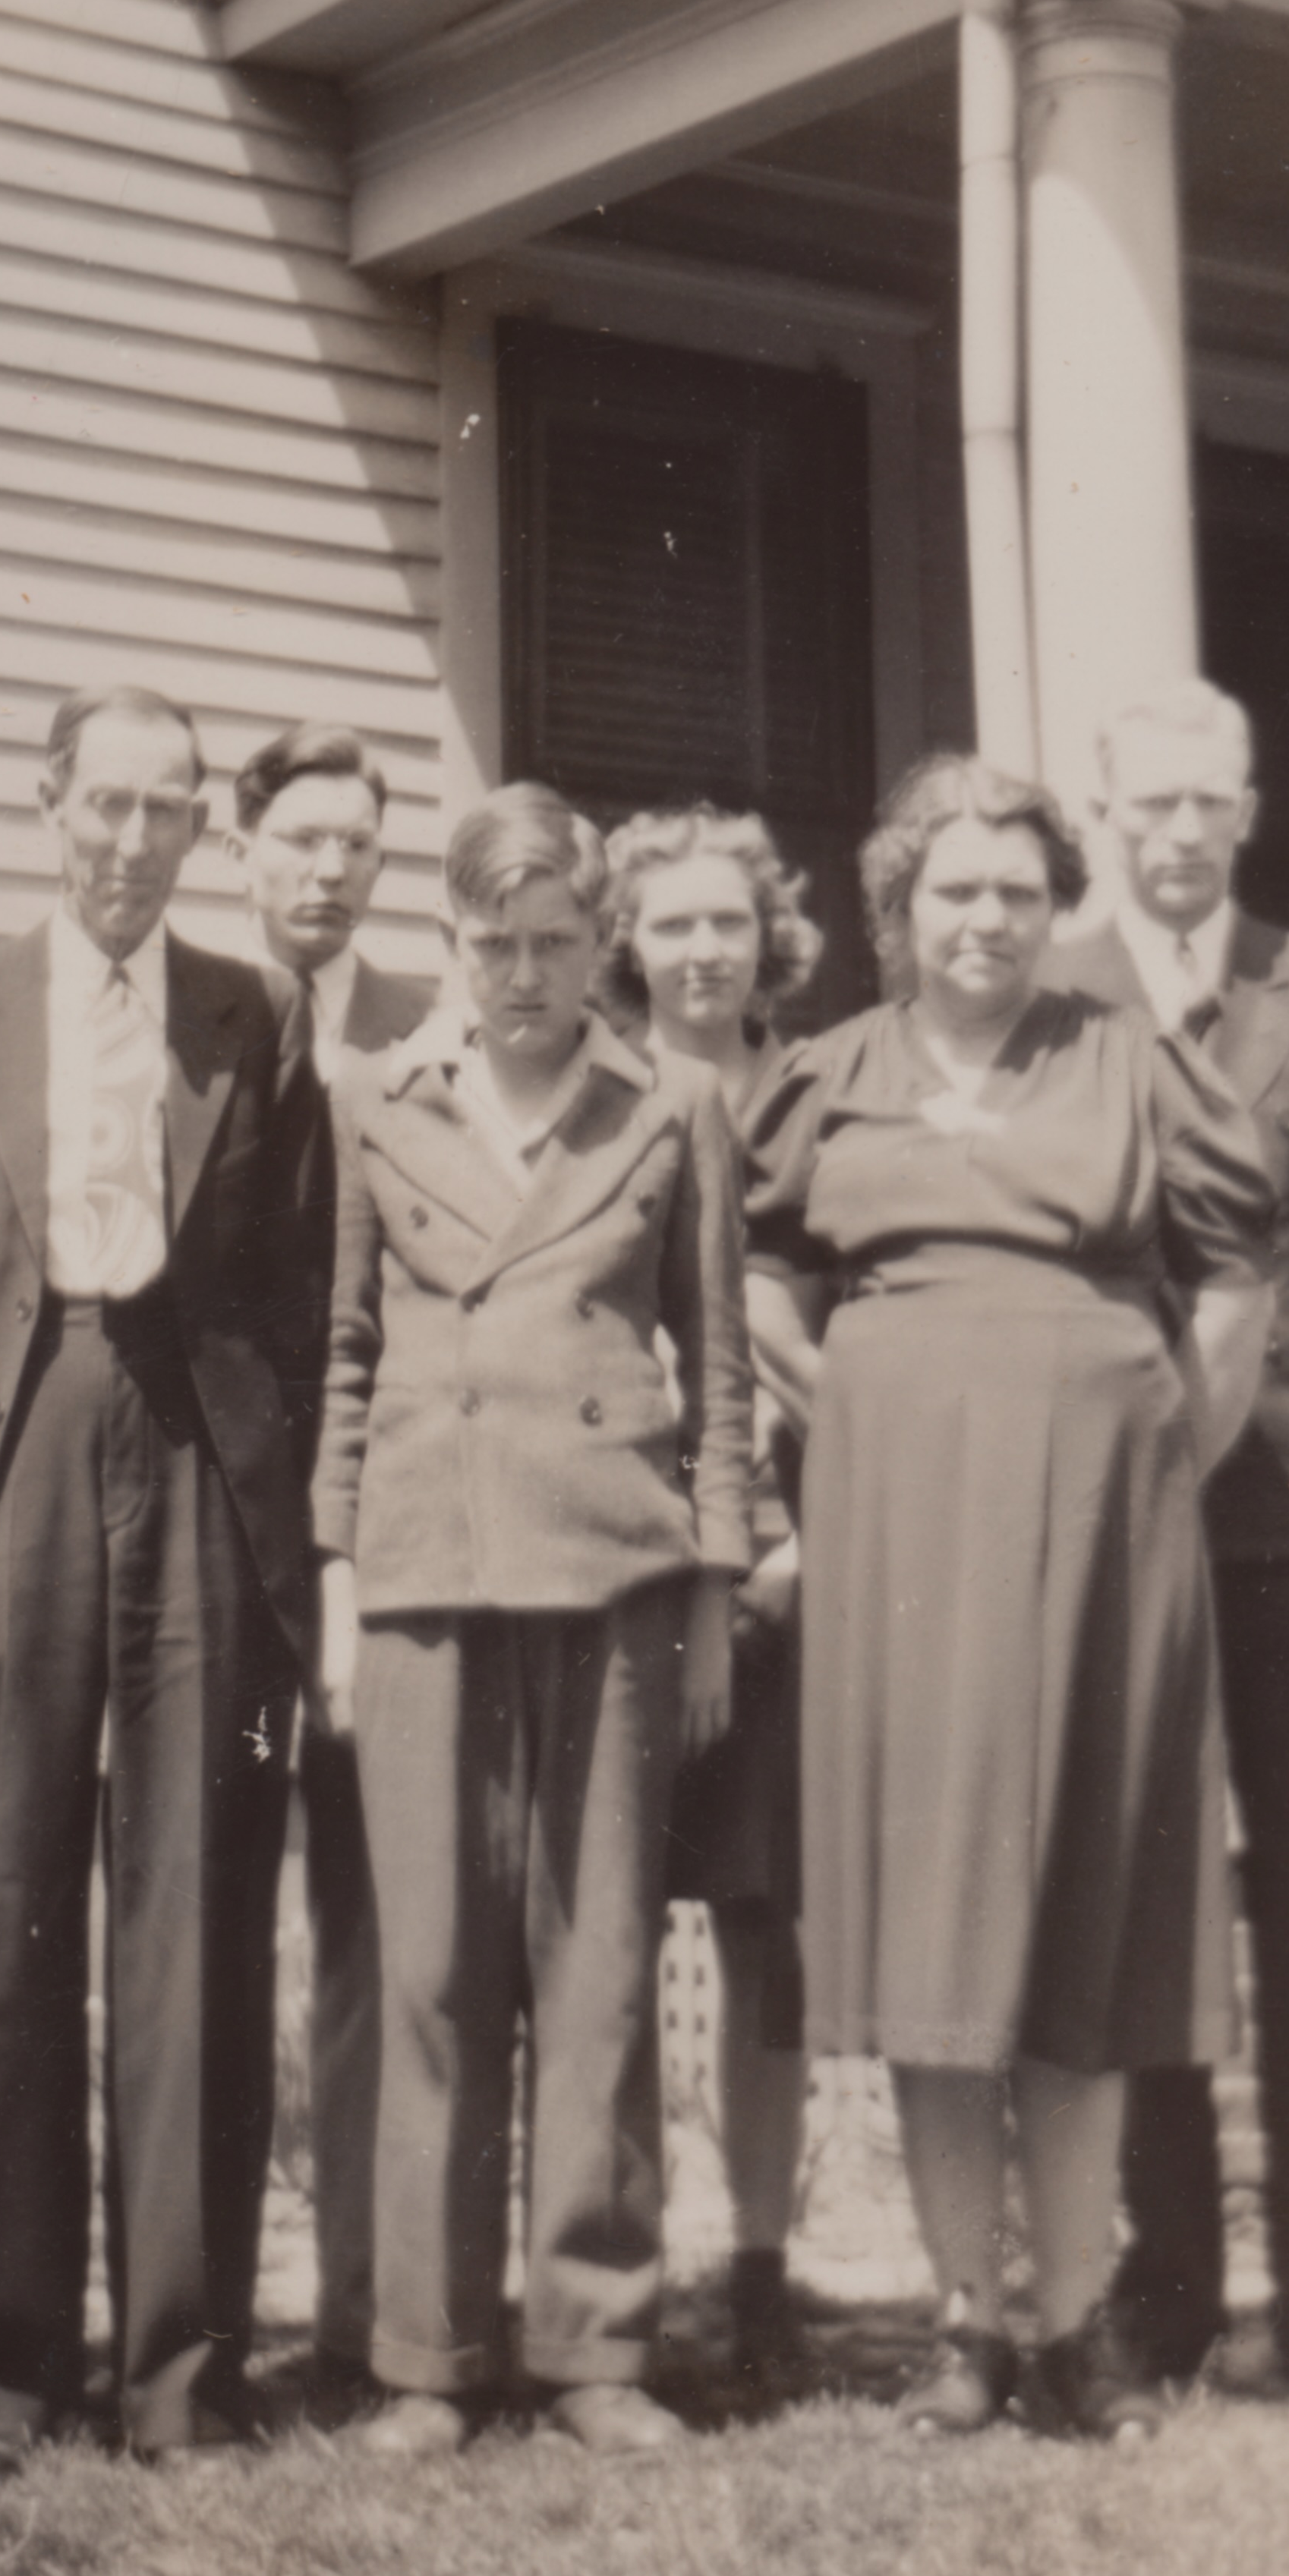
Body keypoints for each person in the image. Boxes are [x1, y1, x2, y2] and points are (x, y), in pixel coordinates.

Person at [0, 682, 328, 2468]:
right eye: (103, 803)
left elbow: (293, 1283)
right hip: (14, 1448)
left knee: (192, 1911)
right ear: (48, 803)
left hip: (198, 1447)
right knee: (20, 1912)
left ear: (203, 828)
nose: (131, 841)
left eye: (167, 809)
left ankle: (183, 2374)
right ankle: (13, 2368)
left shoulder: (252, 1011)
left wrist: (293, 1559)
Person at [745, 754, 1275, 2439]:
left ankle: (1074, 2323)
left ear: (1060, 910)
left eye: (1020, 893)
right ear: (899, 906)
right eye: (955, 889)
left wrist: (1164, 1449)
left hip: (1106, 1524)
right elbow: (756, 1267)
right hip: (900, 1536)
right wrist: (857, 1414)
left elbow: (1237, 1271)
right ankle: (962, 2320)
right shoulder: (829, 1073)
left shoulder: (1129, 1060)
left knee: (1082, 1905)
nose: (987, 918)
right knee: (935, 1917)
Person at [313, 782, 754, 2461]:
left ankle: (594, 2343)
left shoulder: (672, 1103)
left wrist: (713, 1598)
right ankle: (424, 2354)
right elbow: (346, 1359)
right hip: (424, 1574)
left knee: (599, 1964)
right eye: (492, 942)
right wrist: (344, 1593)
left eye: (555, 940)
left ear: (602, 941)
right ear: (453, 940)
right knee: (429, 1966)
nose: (522, 973)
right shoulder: (378, 1099)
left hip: (616, 1580)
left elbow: (717, 1379)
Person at [1050, 678, 1289, 2395]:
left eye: (1210, 802)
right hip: (1124, 1504)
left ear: (1246, 810)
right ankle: (1170, 2287)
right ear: (1103, 815)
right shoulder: (1050, 987)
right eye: (1150, 805)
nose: (1180, 832)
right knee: (1147, 1898)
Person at [600, 805, 823, 2388]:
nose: (700, 949)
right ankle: (614, 2268)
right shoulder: (592, 1093)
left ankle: (753, 2268)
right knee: (600, 1920)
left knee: (761, 1927)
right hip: (615, 1563)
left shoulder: (825, 1101)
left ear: (767, 939)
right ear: (631, 942)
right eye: (671, 924)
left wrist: (796, 1526)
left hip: (793, 1567)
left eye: (726, 922)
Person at [230, 721, 429, 2403]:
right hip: (224, 1550)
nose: (326, 866)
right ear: (247, 846)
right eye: (299, 836)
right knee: (219, 1904)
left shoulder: (429, 1025)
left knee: (369, 1915)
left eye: (355, 840)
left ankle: (367, 2301)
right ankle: (210, 2307)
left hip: (382, 1527)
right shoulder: (195, 1015)